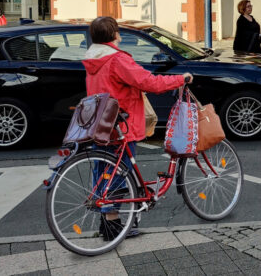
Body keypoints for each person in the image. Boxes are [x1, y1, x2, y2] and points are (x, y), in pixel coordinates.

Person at [82, 16, 192, 241]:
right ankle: (115, 226)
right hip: (121, 123)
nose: (120, 36)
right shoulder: (117, 60)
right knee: (118, 175)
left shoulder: (92, 59)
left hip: (100, 123)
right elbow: (149, 82)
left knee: (104, 172)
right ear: (113, 35)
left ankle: (106, 224)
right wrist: (180, 79)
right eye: (118, 32)